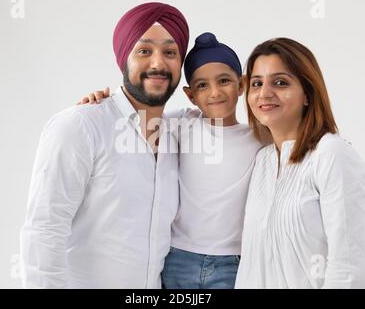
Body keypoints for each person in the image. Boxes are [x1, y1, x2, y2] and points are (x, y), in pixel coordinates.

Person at [20, 2, 189, 288]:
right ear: (124, 57)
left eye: (170, 52)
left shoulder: (180, 136)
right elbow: (44, 230)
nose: (158, 64)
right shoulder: (81, 126)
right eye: (144, 51)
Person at [79, 32, 261, 289]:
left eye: (224, 81)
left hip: (232, 263)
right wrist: (100, 101)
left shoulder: (260, 137)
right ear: (190, 95)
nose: (215, 92)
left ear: (241, 85)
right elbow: (133, 116)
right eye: (202, 86)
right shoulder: (180, 124)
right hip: (177, 259)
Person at [234, 37, 365, 288]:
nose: (264, 93)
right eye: (256, 83)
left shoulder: (331, 154)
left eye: (280, 82)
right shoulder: (263, 162)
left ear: (307, 94)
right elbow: (252, 264)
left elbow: (352, 264)